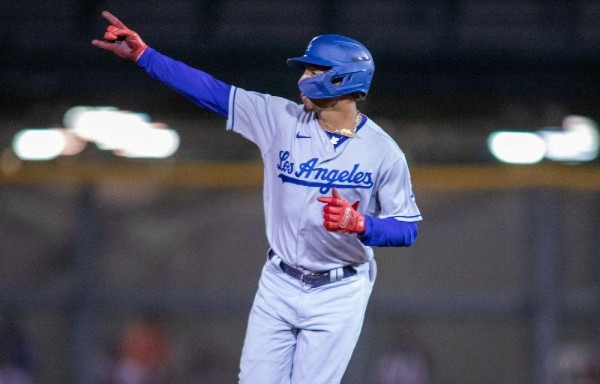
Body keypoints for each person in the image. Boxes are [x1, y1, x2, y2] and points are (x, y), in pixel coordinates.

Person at [92, 11, 422, 384]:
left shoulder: (383, 150)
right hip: (279, 280)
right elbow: (212, 91)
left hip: (339, 290)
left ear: (343, 78)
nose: (303, 78)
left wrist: (362, 224)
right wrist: (145, 56)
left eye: (314, 71)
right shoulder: (279, 118)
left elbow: (406, 228)